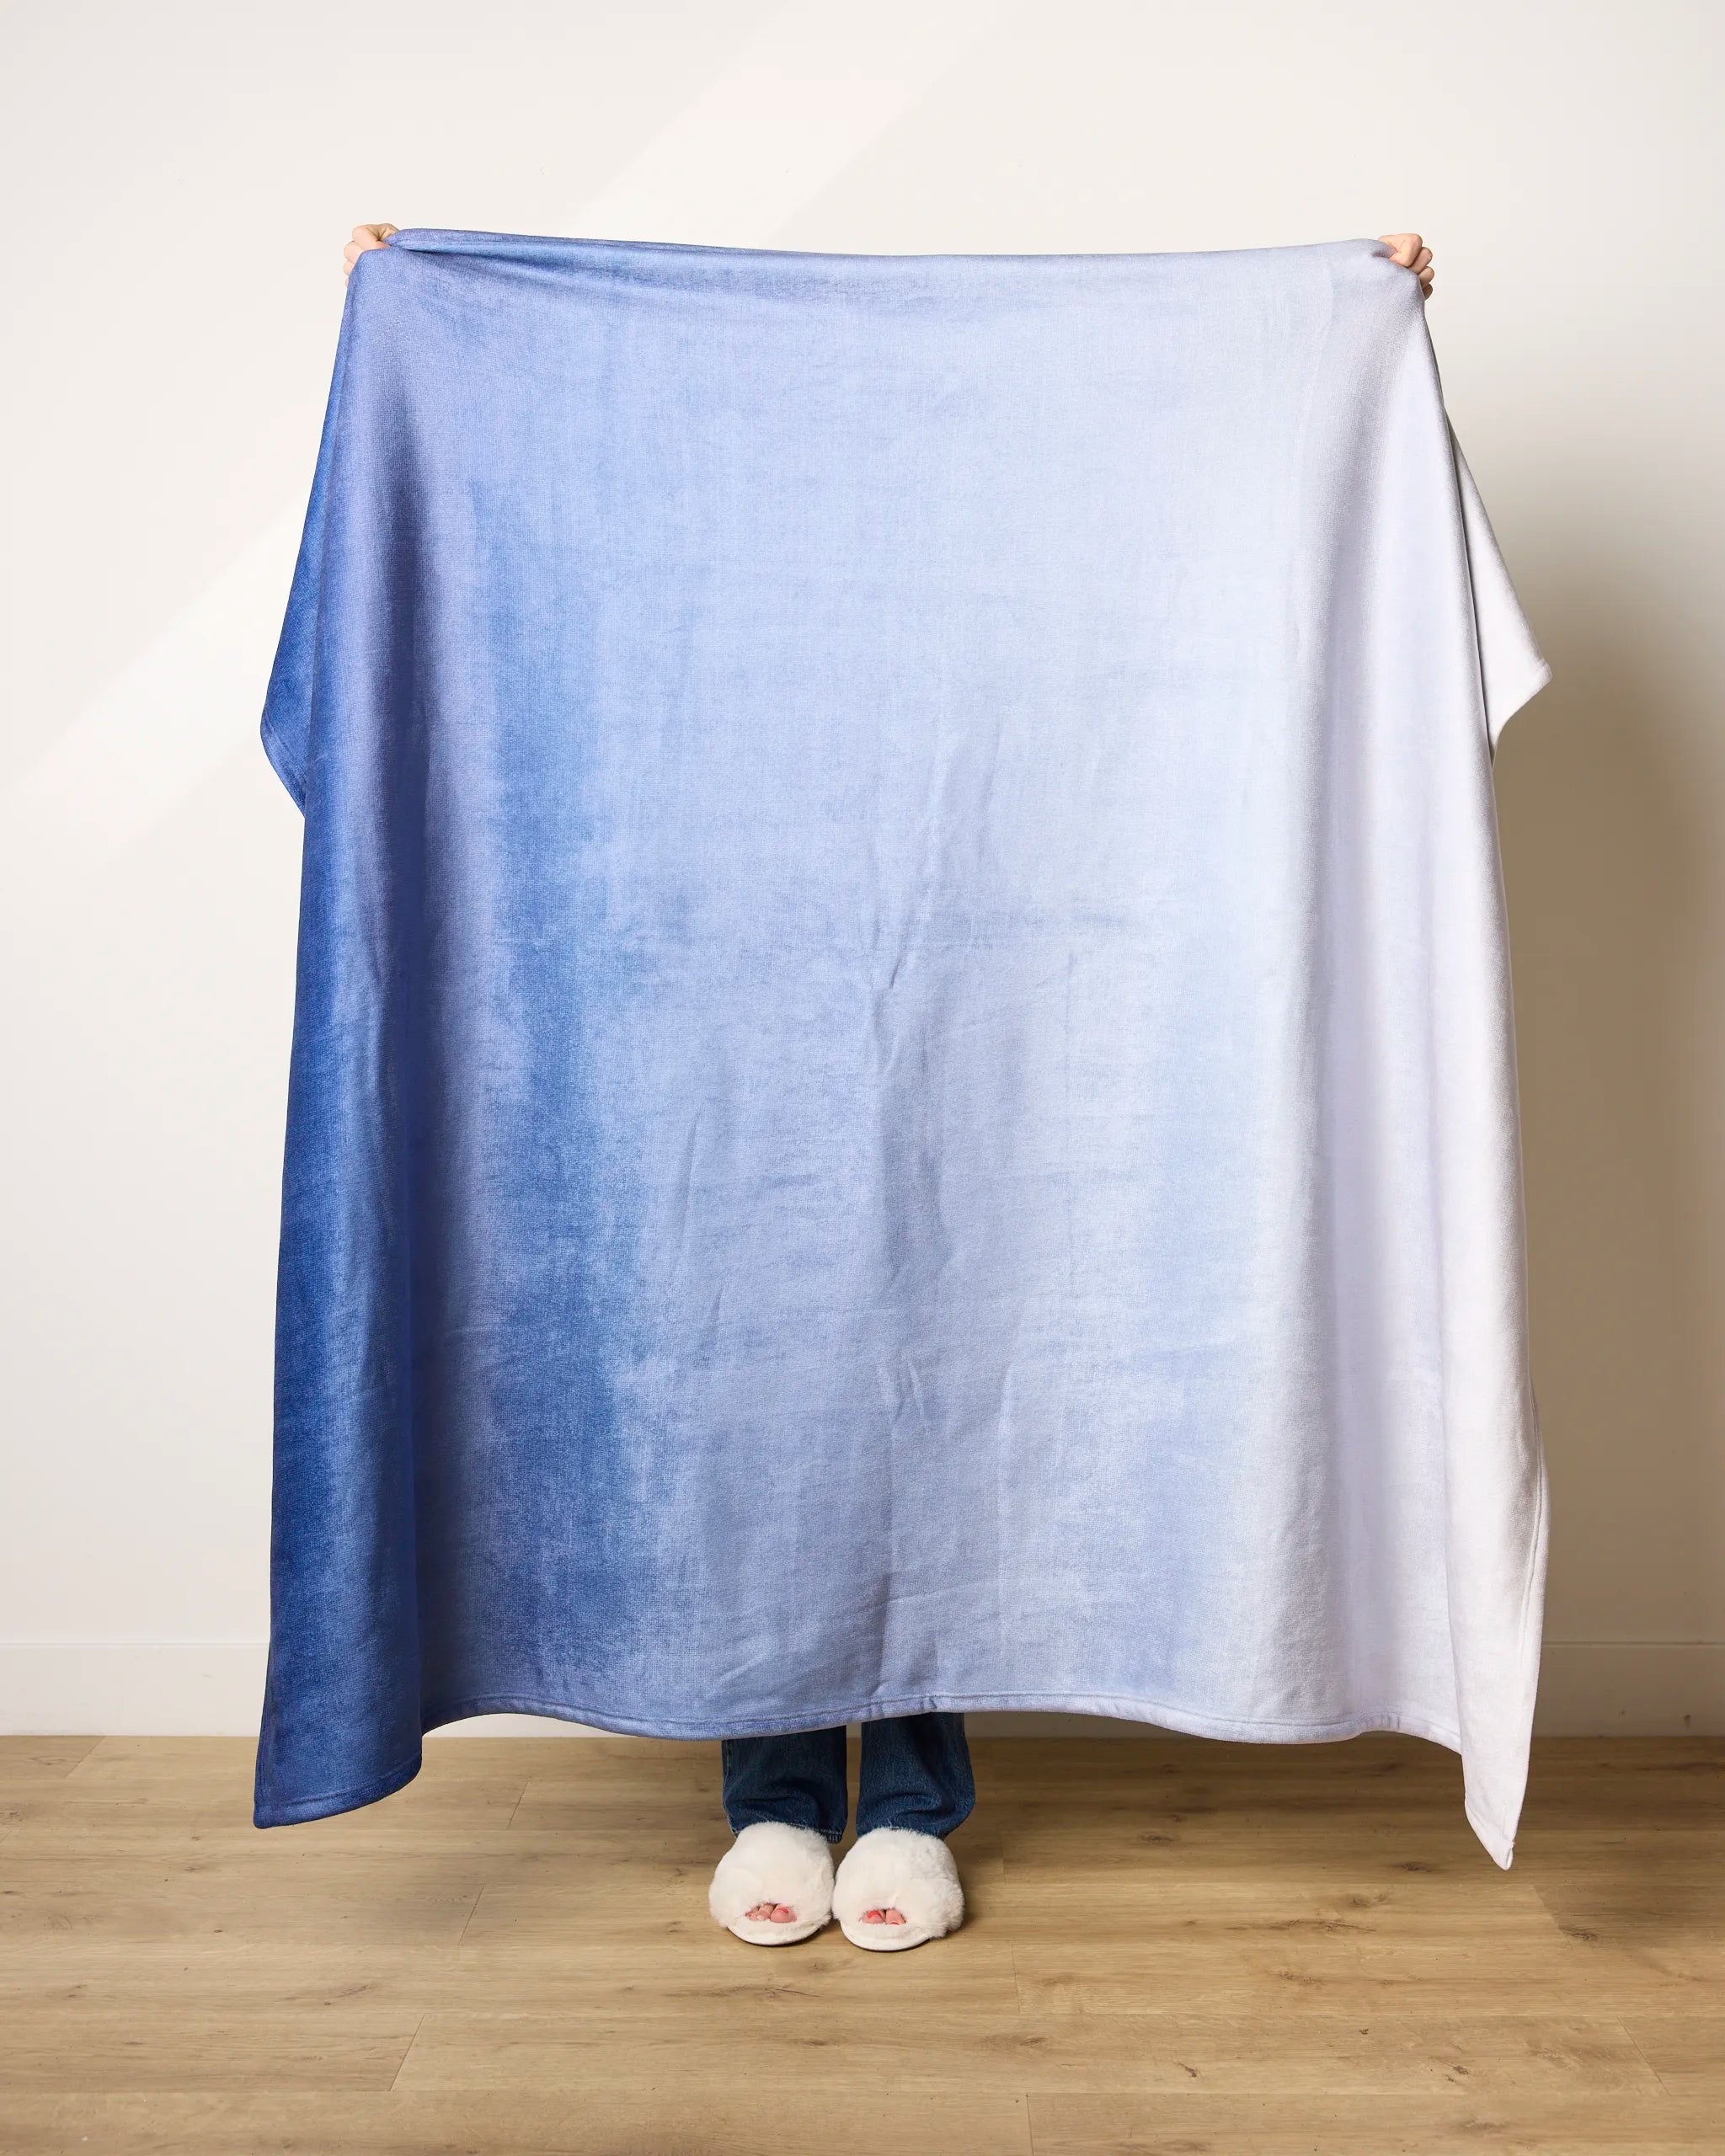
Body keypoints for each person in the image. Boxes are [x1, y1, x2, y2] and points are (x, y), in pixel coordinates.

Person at [336, 217, 1436, 1950]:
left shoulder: (979, 529)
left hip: (982, 941)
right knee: (752, 1375)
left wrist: (1328, 319)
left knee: (935, 1346)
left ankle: (911, 1801)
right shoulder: (681, 535)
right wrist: (430, 311)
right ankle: (772, 1786)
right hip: (705, 967)